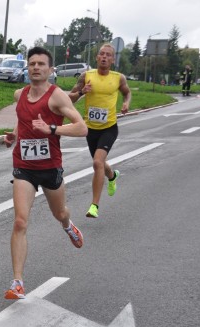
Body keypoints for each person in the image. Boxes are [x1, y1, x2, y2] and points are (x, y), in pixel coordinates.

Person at [3, 46, 87, 300]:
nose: (36, 67)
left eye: (41, 64)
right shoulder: (20, 94)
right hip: (24, 167)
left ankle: (68, 225)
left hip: (50, 167)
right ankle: (17, 281)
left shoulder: (57, 96)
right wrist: (15, 136)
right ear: (27, 68)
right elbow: (22, 119)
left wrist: (52, 129)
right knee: (20, 221)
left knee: (59, 212)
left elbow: (81, 128)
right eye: (32, 64)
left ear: (51, 70)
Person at [69, 43, 131, 219]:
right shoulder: (86, 76)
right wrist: (82, 91)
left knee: (97, 163)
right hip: (91, 130)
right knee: (101, 164)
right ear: (97, 57)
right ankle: (112, 176)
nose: (104, 57)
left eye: (108, 55)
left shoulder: (118, 78)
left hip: (109, 128)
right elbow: (69, 99)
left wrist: (126, 103)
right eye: (101, 54)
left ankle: (94, 206)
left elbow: (127, 93)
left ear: (112, 59)